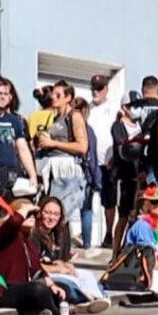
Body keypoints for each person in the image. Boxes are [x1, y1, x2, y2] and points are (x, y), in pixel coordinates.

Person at [0, 199, 65, 315]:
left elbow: (37, 267)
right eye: (28, 215)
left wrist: (52, 284)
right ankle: (55, 312)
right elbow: (13, 222)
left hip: (23, 288)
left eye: (34, 215)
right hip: (4, 291)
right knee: (37, 290)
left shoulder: (27, 241)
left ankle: (36, 313)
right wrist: (26, 208)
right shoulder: (5, 234)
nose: (32, 217)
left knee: (60, 287)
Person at [32, 196, 110, 314]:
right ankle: (87, 299)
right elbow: (35, 266)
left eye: (55, 214)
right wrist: (59, 268)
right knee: (70, 285)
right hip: (44, 275)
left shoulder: (61, 232)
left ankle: (97, 298)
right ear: (40, 213)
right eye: (47, 213)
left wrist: (68, 266)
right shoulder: (34, 234)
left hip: (59, 271)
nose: (51, 218)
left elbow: (63, 260)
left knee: (87, 276)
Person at [0, 77, 39, 225]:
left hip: (12, 177)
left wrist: (32, 175)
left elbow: (22, 148)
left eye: (6, 93)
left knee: (9, 219)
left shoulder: (14, 121)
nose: (3, 96)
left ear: (11, 97)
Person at [33, 81, 89, 227]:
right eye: (53, 94)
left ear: (68, 97)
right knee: (51, 216)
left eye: (58, 95)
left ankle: (61, 247)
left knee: (59, 215)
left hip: (66, 172)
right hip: (51, 170)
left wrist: (53, 143)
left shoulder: (74, 115)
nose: (53, 97)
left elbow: (82, 147)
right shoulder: (55, 117)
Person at [88, 74, 119, 248]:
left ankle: (109, 233)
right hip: (90, 161)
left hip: (108, 161)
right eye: (93, 88)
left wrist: (115, 156)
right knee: (88, 199)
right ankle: (87, 237)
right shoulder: (87, 108)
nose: (96, 91)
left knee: (109, 200)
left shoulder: (114, 108)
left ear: (106, 89)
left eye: (99, 88)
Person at [110, 94, 142, 254]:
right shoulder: (118, 126)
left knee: (136, 215)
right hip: (125, 177)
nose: (137, 108)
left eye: (138, 104)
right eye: (133, 105)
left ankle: (131, 251)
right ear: (124, 108)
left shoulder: (141, 125)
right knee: (123, 216)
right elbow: (123, 149)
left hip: (139, 176)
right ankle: (115, 253)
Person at [71, 97, 104, 251]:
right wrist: (96, 180)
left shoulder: (66, 126)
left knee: (67, 209)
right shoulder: (87, 129)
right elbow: (92, 157)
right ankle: (86, 243)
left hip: (69, 172)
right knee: (86, 210)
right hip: (84, 174)